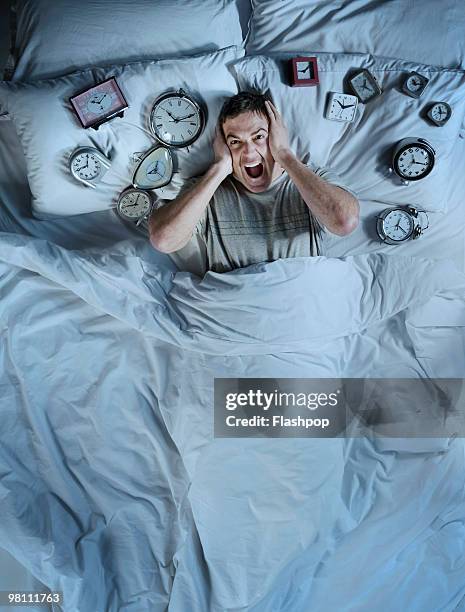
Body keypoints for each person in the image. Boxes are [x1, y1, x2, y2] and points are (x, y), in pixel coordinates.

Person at [149, 91, 359, 274]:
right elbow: (164, 239)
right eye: (235, 142)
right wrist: (219, 168)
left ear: (276, 136)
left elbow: (344, 222)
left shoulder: (311, 179)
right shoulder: (206, 190)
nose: (248, 153)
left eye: (259, 137)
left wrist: (285, 155)